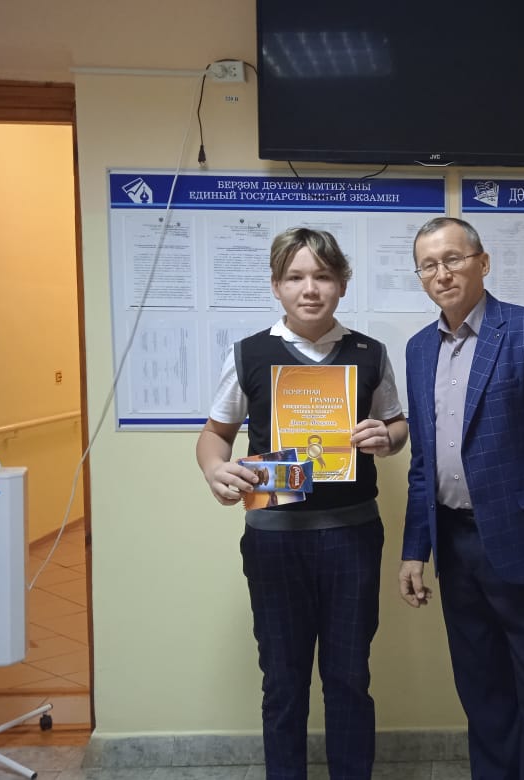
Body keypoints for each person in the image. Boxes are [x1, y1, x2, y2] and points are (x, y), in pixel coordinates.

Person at [196, 227, 407, 780]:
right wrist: (216, 470)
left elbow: (396, 425)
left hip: (352, 536)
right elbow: (215, 435)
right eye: (295, 277)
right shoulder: (250, 354)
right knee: (283, 681)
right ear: (276, 286)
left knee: (349, 677)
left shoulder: (369, 354)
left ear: (342, 284)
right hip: (275, 540)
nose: (309, 289)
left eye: (322, 276)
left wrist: (389, 437)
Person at [398, 217, 524, 779]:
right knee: (481, 693)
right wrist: (414, 551)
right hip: (455, 546)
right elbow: (423, 461)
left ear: (482, 262)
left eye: (453, 259)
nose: (442, 273)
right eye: (428, 265)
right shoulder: (418, 349)